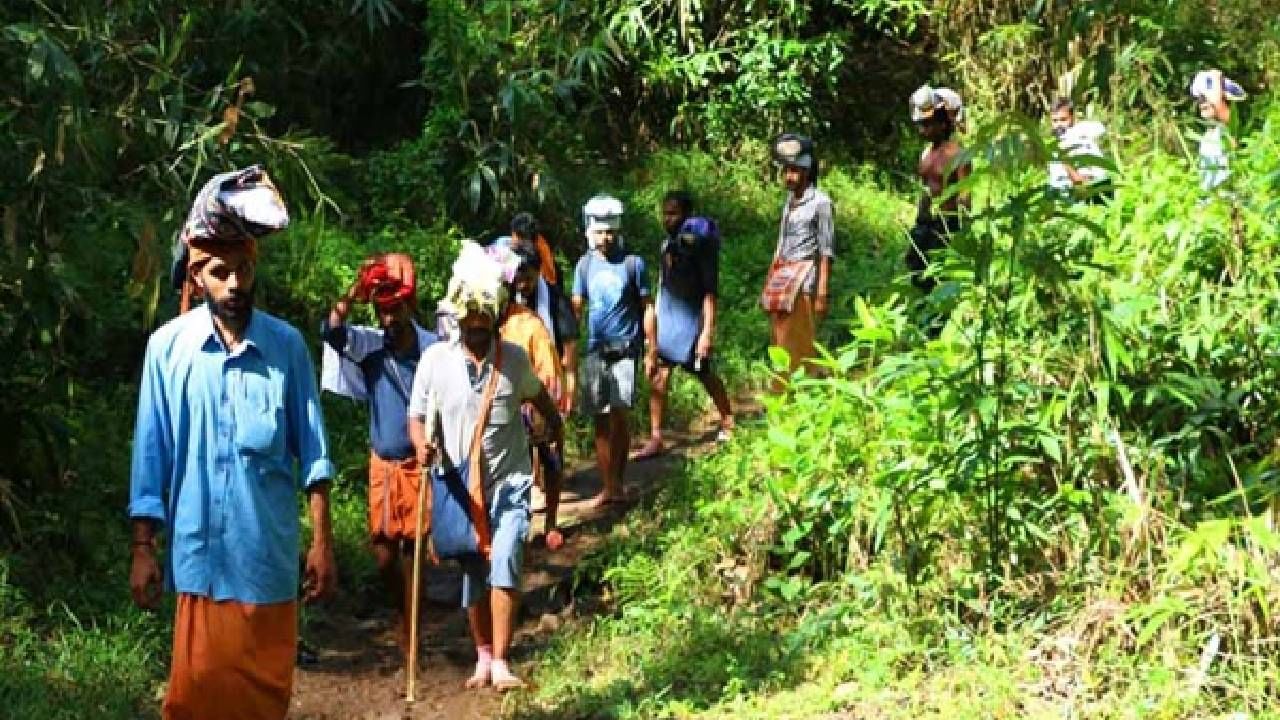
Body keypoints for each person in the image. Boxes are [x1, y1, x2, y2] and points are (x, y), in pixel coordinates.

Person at [129, 165, 337, 720]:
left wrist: (321, 542)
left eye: (244, 270)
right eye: (221, 272)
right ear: (198, 278)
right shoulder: (167, 351)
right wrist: (143, 549)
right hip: (199, 564)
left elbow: (314, 456)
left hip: (267, 566)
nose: (235, 284)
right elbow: (151, 459)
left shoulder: (287, 348)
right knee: (195, 698)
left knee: (262, 703)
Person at [407, 241, 563, 692]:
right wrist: (422, 447)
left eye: (483, 327)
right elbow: (417, 418)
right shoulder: (436, 361)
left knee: (507, 561)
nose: (475, 335)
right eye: (469, 327)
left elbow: (540, 398)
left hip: (510, 483)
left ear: (494, 321)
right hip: (458, 486)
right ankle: (482, 654)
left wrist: (552, 429)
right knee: (473, 570)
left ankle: (500, 660)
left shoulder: (512, 360)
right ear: (459, 322)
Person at [320, 253, 437, 661]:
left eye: (395, 309)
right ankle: (402, 613)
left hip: (418, 463)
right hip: (382, 464)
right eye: (382, 310)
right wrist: (353, 292)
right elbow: (332, 332)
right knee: (384, 553)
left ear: (410, 306)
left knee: (413, 550)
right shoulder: (370, 348)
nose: (389, 319)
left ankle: (412, 628)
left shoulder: (432, 352)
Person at [633, 190, 734, 459]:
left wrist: (706, 333)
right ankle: (656, 437)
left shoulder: (700, 248)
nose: (668, 219)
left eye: (673, 213)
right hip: (668, 320)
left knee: (704, 372)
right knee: (658, 376)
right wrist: (652, 327)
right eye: (665, 213)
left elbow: (710, 293)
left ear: (686, 215)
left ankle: (728, 419)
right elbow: (661, 285)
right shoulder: (667, 246)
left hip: (692, 322)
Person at [571, 194, 656, 507]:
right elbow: (577, 307)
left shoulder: (633, 264)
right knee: (600, 419)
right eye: (600, 232)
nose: (605, 238)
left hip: (625, 349)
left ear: (618, 232)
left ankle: (618, 481)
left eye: (610, 232)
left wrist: (651, 350)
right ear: (591, 232)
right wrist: (568, 348)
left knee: (620, 416)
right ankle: (608, 485)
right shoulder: (584, 265)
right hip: (595, 350)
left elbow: (648, 307)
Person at [496, 245, 567, 551]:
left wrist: (548, 410)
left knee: (549, 459)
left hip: (532, 402)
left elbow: (547, 371)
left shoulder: (528, 324)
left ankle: (551, 522)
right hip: (499, 408)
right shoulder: (480, 326)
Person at [762, 133, 834, 379]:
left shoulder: (821, 203)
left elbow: (826, 249)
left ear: (806, 171)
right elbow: (781, 240)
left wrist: (822, 290)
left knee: (800, 337)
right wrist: (771, 276)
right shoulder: (789, 202)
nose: (788, 177)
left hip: (805, 278)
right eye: (786, 171)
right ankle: (783, 384)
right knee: (780, 337)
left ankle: (804, 386)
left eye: (794, 171)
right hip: (783, 275)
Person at [907, 85, 971, 294]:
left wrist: (964, 234)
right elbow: (925, 191)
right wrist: (919, 221)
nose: (922, 131)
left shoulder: (959, 155)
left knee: (941, 280)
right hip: (925, 224)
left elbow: (965, 196)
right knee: (918, 277)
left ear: (943, 125)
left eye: (927, 125)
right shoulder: (926, 154)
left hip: (948, 224)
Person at [1189, 69, 1246, 192]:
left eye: (1206, 97)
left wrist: (1215, 78)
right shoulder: (1209, 134)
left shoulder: (1229, 126)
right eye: (1200, 99)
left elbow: (1217, 104)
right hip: (1211, 200)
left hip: (1228, 199)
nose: (1202, 102)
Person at [1047, 97, 1110, 202]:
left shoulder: (1081, 134)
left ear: (1072, 117)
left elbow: (1081, 181)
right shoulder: (1054, 144)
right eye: (1055, 121)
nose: (1058, 124)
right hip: (1063, 195)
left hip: (1090, 190)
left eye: (1063, 119)